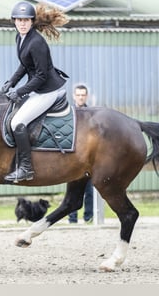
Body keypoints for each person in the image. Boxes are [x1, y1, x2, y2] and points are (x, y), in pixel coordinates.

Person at [1, 1, 69, 183]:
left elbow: (41, 75)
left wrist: (20, 91)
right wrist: (11, 82)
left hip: (48, 91)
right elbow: (25, 65)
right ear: (14, 21)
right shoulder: (20, 37)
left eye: (26, 20)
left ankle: (25, 168)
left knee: (17, 122)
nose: (22, 23)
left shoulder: (36, 42)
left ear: (32, 22)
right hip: (38, 88)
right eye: (19, 20)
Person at [68, 84, 94, 224]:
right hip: (72, 158)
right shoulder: (69, 112)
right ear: (74, 96)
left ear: (86, 96)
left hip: (88, 158)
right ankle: (72, 219)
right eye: (78, 95)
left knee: (89, 191)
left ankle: (88, 218)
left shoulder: (91, 113)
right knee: (72, 190)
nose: (80, 97)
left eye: (83, 95)